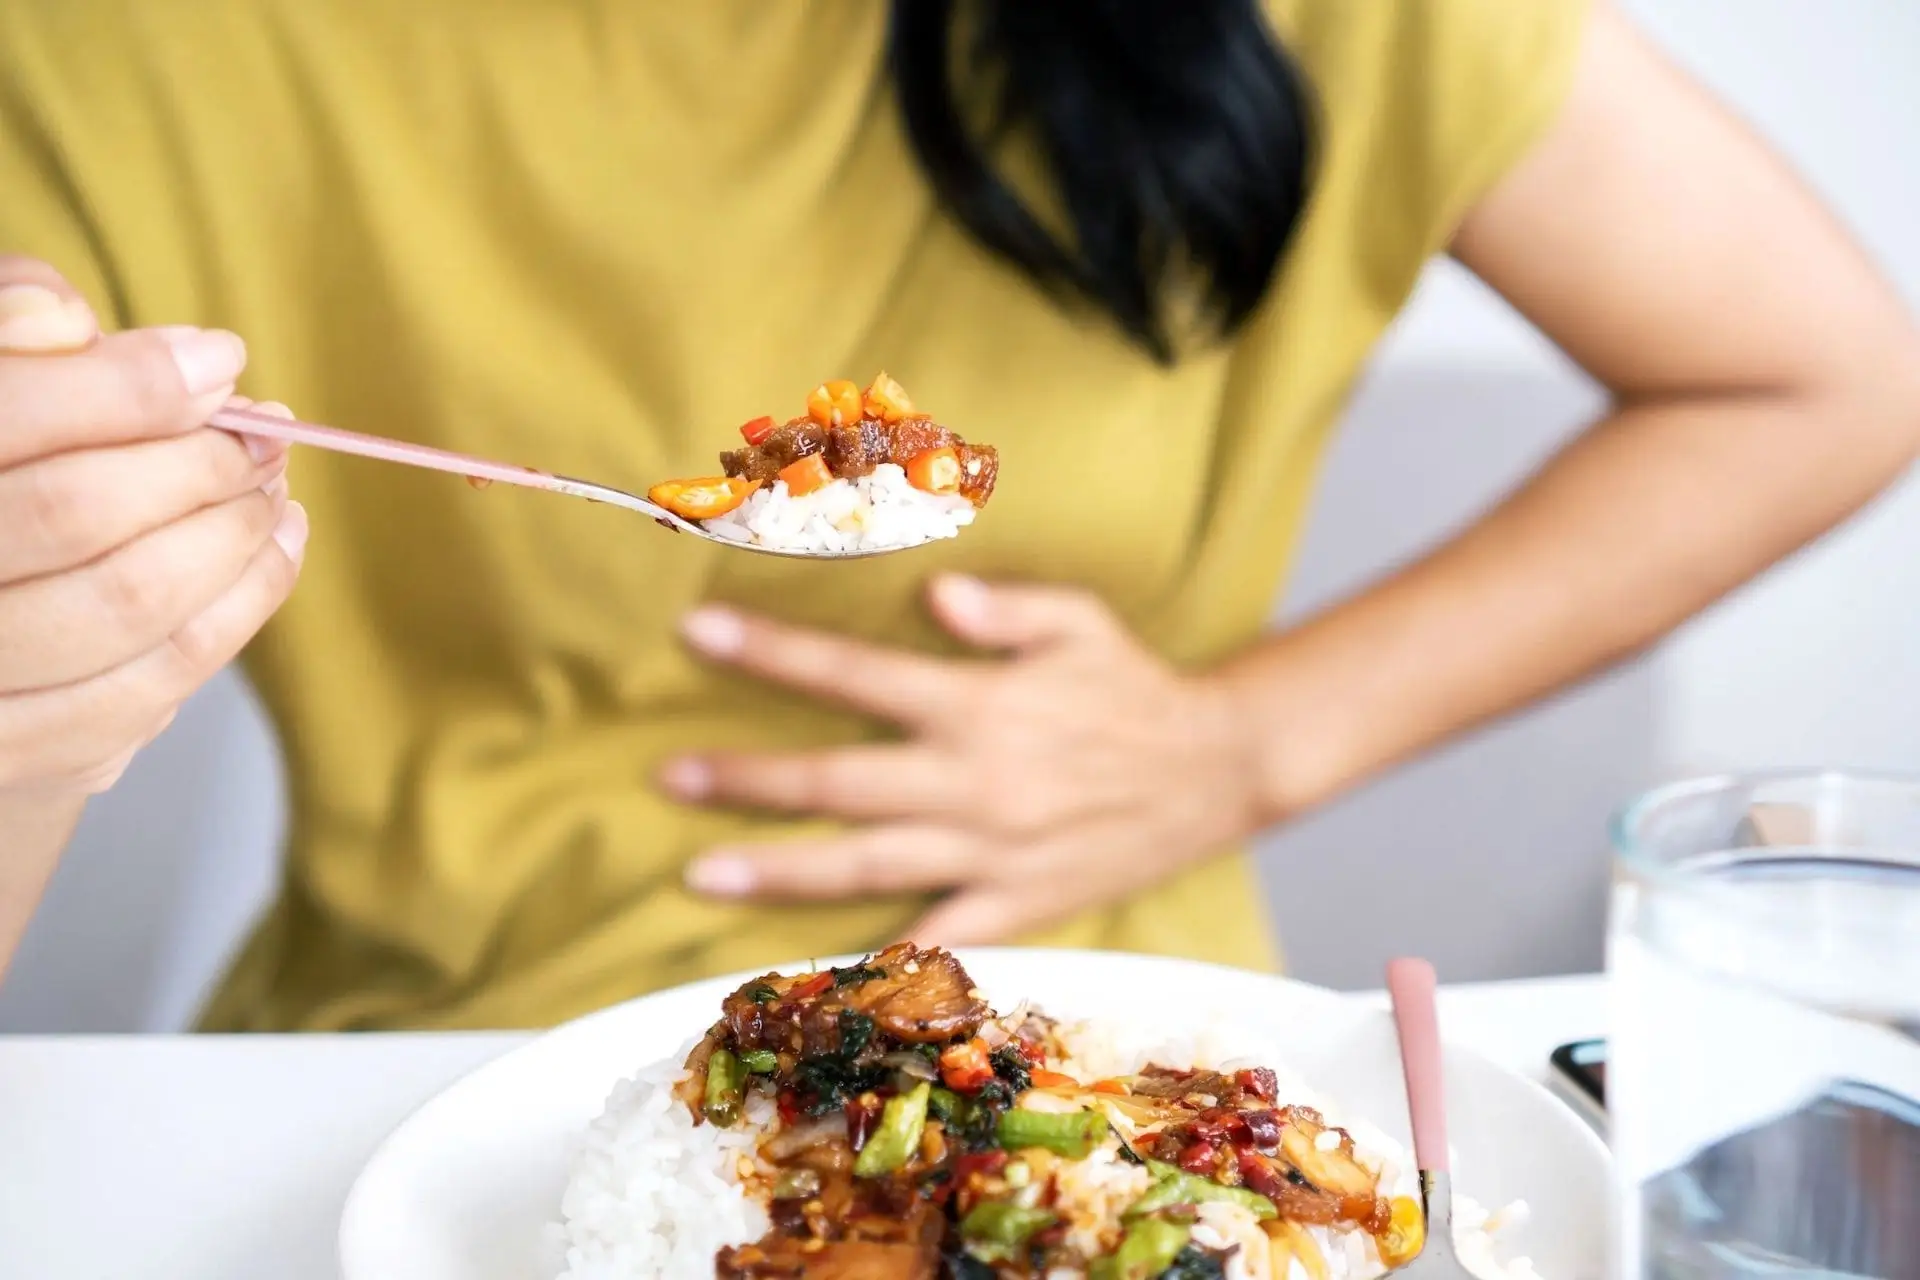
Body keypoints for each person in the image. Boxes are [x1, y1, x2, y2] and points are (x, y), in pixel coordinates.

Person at [0, 0, 1914, 1031]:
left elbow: (1828, 378)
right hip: (425, 1057)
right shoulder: (114, 44)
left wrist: (1251, 742)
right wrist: (27, 704)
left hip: (1115, 1037)